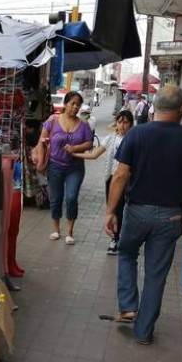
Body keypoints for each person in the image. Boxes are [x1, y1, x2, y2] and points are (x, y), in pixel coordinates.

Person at [103, 85, 182, 344]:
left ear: (154, 107)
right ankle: (144, 333)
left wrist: (110, 211)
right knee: (156, 275)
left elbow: (120, 176)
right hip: (171, 216)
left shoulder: (137, 134)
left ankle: (128, 305)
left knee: (127, 253)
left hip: (136, 211)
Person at [38, 91, 93, 244]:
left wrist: (75, 148)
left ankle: (69, 231)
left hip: (75, 168)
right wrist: (42, 153)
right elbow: (41, 139)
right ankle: (56, 229)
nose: (75, 107)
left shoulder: (83, 125)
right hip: (55, 166)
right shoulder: (53, 120)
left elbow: (89, 143)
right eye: (72, 103)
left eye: (78, 104)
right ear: (66, 103)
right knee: (56, 199)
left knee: (71, 197)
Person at [75, 109, 134, 254]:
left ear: (131, 124)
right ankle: (115, 238)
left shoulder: (134, 139)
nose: (122, 125)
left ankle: (122, 238)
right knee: (113, 209)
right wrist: (74, 154)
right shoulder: (110, 138)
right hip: (112, 179)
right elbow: (94, 154)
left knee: (125, 210)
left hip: (129, 180)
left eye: (125, 122)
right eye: (120, 122)